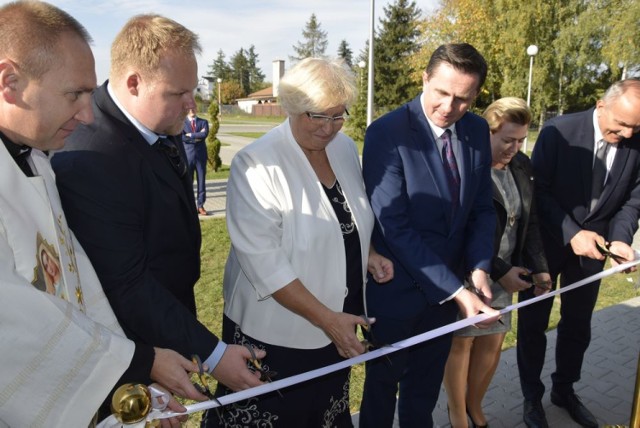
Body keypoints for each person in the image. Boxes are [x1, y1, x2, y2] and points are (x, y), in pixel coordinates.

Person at [0, 2, 208, 426]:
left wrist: (123, 382)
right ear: (9, 82)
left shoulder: (37, 162)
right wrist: (135, 362)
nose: (87, 112)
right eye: (74, 94)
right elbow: (13, 317)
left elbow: (79, 289)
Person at [51, 14, 265, 396]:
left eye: (192, 91)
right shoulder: (91, 154)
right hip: (131, 352)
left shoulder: (152, 127)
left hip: (168, 321)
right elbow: (125, 284)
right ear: (134, 83)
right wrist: (212, 355)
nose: (190, 105)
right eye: (177, 93)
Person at [201, 57, 394, 428]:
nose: (328, 128)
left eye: (338, 116)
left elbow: (347, 216)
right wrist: (329, 322)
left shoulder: (344, 148)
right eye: (316, 116)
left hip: (336, 324)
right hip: (276, 334)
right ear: (289, 106)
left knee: (323, 415)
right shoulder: (256, 162)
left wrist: (367, 253)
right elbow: (265, 264)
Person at [359, 43, 501, 428]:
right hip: (395, 289)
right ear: (425, 78)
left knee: (423, 391)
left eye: (462, 99)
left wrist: (480, 268)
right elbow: (395, 226)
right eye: (441, 92)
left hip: (445, 297)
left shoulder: (475, 130)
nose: (449, 107)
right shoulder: (387, 133)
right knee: (381, 388)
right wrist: (457, 291)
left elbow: (481, 209)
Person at [517, 78, 640, 428]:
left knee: (578, 323)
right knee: (533, 323)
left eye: (636, 127)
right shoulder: (559, 132)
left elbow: (633, 199)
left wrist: (619, 239)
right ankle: (530, 397)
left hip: (594, 250)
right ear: (601, 106)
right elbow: (538, 192)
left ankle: (565, 390)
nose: (629, 135)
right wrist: (572, 233)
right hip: (545, 246)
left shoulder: (636, 139)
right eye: (622, 125)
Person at [442, 97, 551, 428]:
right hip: (469, 273)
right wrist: (500, 272)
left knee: (493, 342)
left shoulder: (523, 167)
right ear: (487, 133)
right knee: (462, 344)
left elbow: (529, 223)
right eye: (507, 140)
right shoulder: (466, 170)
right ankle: (457, 412)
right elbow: (460, 231)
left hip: (509, 274)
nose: (514, 148)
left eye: (520, 140)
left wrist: (541, 266)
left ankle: (476, 406)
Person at [182, 107, 210, 215]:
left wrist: (191, 135)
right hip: (188, 156)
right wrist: (197, 137)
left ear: (196, 110)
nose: (191, 110)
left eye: (193, 108)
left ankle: (200, 205)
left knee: (201, 181)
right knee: (188, 182)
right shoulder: (182, 123)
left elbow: (204, 134)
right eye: (189, 109)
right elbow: (182, 138)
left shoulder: (203, 122)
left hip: (200, 156)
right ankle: (189, 206)